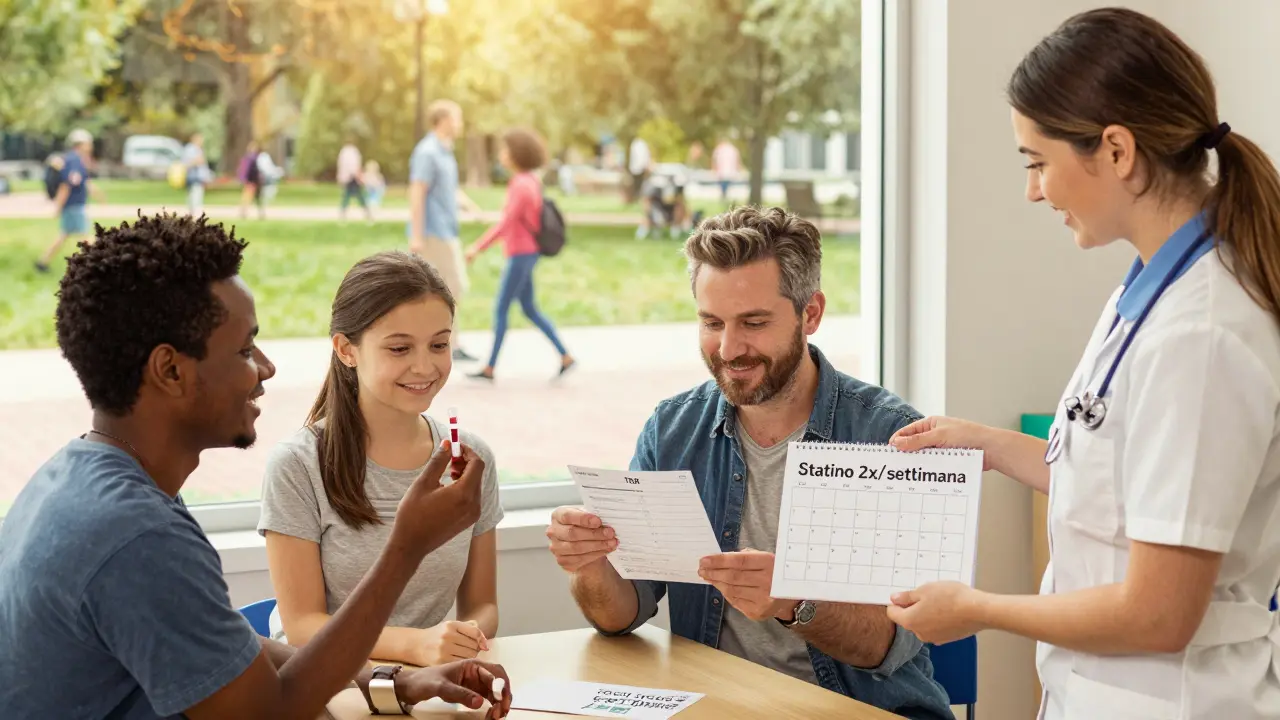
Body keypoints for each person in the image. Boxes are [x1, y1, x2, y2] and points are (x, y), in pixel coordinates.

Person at [884, 9, 1280, 720]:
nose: (1033, 190)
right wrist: (993, 446)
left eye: (1038, 162)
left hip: (1176, 700)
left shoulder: (1204, 333)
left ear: (1117, 150)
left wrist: (979, 609)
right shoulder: (1150, 288)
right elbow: (1119, 495)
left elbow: (1161, 613)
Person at [0, 214, 514, 720]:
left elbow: (231, 653)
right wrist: (407, 546)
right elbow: (271, 712)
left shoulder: (86, 478)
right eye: (245, 349)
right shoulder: (136, 536)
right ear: (171, 371)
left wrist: (394, 681)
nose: (266, 368)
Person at [546, 206, 953, 720]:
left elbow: (890, 645)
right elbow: (622, 614)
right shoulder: (672, 432)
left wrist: (793, 602)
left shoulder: (890, 440)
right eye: (712, 323)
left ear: (811, 314)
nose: (729, 348)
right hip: (720, 708)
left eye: (754, 323)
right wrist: (589, 564)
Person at [259, 250, 504, 668]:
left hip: (432, 681)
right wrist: (415, 646)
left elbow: (483, 606)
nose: (425, 366)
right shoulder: (296, 465)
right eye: (399, 348)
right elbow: (302, 625)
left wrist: (463, 637)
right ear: (346, 350)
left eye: (439, 344)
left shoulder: (472, 459)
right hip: (325, 683)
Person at [464, 129, 575, 382]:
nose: (502, 155)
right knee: (529, 309)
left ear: (517, 154)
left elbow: (506, 225)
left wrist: (476, 248)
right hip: (526, 253)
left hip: (521, 254)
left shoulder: (521, 184)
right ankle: (565, 356)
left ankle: (490, 368)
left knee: (501, 308)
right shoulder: (531, 181)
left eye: (505, 150)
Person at [409, 98, 484, 362]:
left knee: (450, 289)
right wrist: (416, 235)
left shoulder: (444, 151)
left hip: (446, 231)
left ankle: (447, 343)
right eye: (457, 118)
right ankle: (446, 345)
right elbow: (418, 191)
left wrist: (470, 207)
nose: (460, 123)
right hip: (433, 233)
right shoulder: (427, 152)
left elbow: (449, 190)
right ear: (443, 121)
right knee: (450, 288)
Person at [35, 128, 104, 273]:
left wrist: (97, 194)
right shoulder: (73, 161)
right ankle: (99, 263)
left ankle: (43, 262)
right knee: (85, 236)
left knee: (64, 234)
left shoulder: (78, 160)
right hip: (73, 205)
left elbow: (85, 182)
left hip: (74, 205)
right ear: (81, 144)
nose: (91, 146)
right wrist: (58, 206)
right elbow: (65, 186)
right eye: (88, 143)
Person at [337, 138, 372, 222]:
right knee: (359, 196)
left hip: (346, 177)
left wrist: (340, 177)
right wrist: (359, 176)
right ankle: (367, 212)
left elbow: (341, 165)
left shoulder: (343, 152)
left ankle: (343, 213)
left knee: (347, 195)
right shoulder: (354, 152)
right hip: (353, 177)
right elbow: (356, 165)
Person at [183, 132, 212, 216]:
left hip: (198, 176)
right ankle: (194, 213)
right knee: (195, 195)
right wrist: (198, 160)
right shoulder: (191, 149)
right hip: (193, 176)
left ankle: (192, 213)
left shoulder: (198, 149)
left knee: (195, 195)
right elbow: (188, 163)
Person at [238, 141, 263, 219]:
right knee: (249, 197)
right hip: (251, 181)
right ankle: (245, 212)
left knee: (251, 197)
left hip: (252, 181)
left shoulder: (252, 158)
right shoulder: (251, 158)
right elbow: (249, 171)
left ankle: (247, 212)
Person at [712, 137, 741, 204]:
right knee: (725, 185)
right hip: (727, 171)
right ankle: (725, 197)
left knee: (724, 185)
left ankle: (724, 197)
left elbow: (714, 160)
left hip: (725, 171)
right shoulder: (732, 149)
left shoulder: (720, 149)